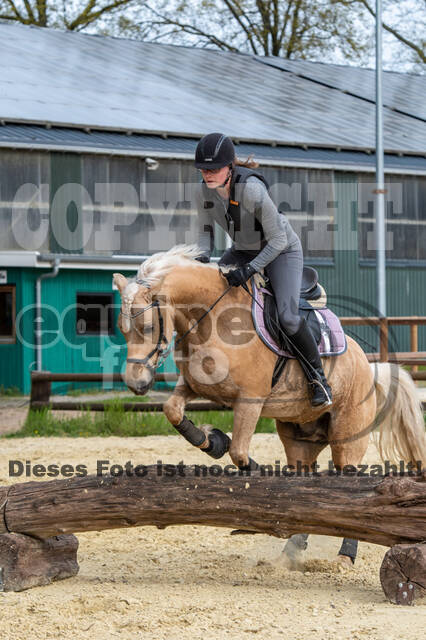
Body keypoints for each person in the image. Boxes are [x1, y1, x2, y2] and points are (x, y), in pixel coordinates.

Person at [193, 132, 332, 407]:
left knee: (288, 317)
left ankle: (318, 380)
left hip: (281, 250)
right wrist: (201, 258)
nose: (208, 174)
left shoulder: (251, 190)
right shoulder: (203, 192)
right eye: (204, 169)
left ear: (229, 168)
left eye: (214, 169)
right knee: (206, 296)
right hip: (243, 249)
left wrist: (250, 270)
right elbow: (205, 233)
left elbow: (279, 240)